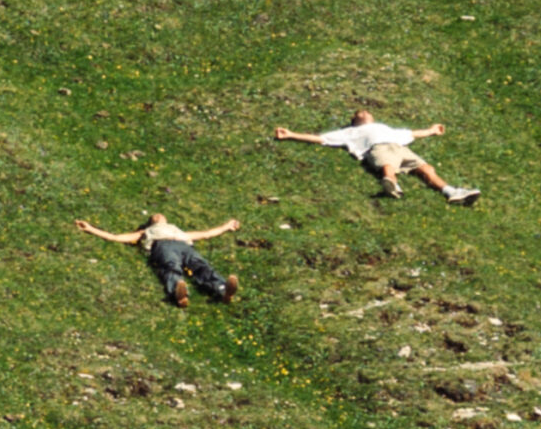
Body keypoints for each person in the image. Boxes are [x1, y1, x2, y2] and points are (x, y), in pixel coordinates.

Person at [273, 110, 481, 204]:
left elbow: (410, 134)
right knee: (387, 164)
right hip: (377, 147)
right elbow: (321, 138)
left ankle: (451, 191)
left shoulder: (385, 127)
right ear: (355, 122)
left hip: (399, 147)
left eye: (365, 112)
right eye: (359, 114)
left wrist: (431, 130)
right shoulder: (350, 132)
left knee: (427, 169)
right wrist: (292, 135)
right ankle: (391, 184)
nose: (363, 113)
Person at [73, 214, 241, 307]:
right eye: (154, 217)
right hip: (162, 246)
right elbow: (115, 237)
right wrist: (90, 228)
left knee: (201, 265)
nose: (158, 215)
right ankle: (178, 293)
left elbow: (206, 233)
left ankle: (223, 289)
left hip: (184, 245)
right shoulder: (146, 232)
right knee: (171, 266)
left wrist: (227, 226)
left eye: (160, 215)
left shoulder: (180, 232)